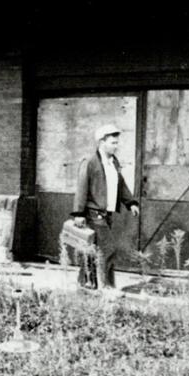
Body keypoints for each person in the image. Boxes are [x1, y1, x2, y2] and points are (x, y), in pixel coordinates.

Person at [71, 123, 140, 288]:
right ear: (101, 142)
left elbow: (120, 184)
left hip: (107, 215)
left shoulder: (113, 162)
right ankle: (107, 286)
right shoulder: (90, 162)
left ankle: (87, 283)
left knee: (92, 250)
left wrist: (130, 203)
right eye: (113, 143)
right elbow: (82, 187)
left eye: (117, 143)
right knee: (108, 249)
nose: (116, 146)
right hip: (93, 214)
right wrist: (79, 213)